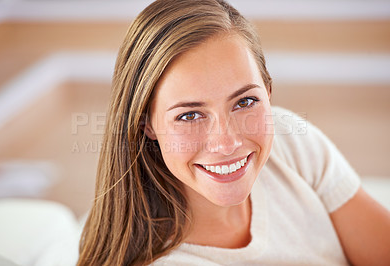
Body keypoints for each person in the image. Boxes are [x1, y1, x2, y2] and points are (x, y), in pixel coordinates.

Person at [77, 0, 390, 265]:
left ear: (268, 91)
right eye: (189, 115)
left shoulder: (289, 141)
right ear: (146, 123)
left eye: (245, 101)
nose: (227, 143)